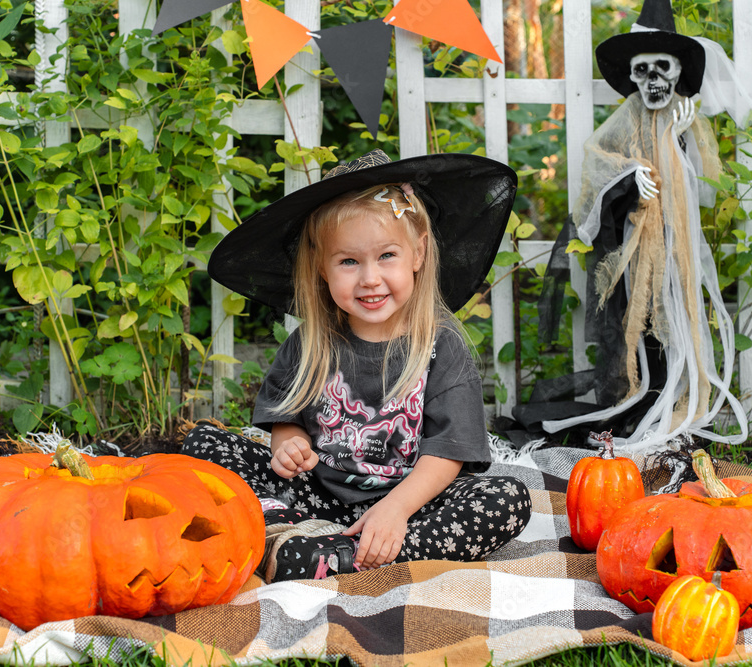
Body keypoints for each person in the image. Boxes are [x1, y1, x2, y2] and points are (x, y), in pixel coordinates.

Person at [182, 149, 531, 582]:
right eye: (349, 261)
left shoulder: (440, 345)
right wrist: (289, 446)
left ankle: (341, 554)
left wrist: (395, 509)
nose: (369, 278)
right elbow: (285, 420)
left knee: (507, 498)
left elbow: (448, 452)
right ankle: (289, 535)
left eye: (387, 256)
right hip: (315, 495)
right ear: (322, 268)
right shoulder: (310, 343)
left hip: (412, 501)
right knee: (206, 444)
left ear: (418, 253)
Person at [513, 0, 749, 454]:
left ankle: (671, 406)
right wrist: (629, 176)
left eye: (663, 68)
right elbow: (598, 164)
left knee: (674, 324)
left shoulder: (686, 119)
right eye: (643, 71)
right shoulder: (624, 120)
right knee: (636, 326)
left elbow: (703, 189)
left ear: (678, 72)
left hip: (676, 249)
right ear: (633, 77)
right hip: (634, 246)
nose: (653, 80)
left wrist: (676, 138)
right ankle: (639, 407)